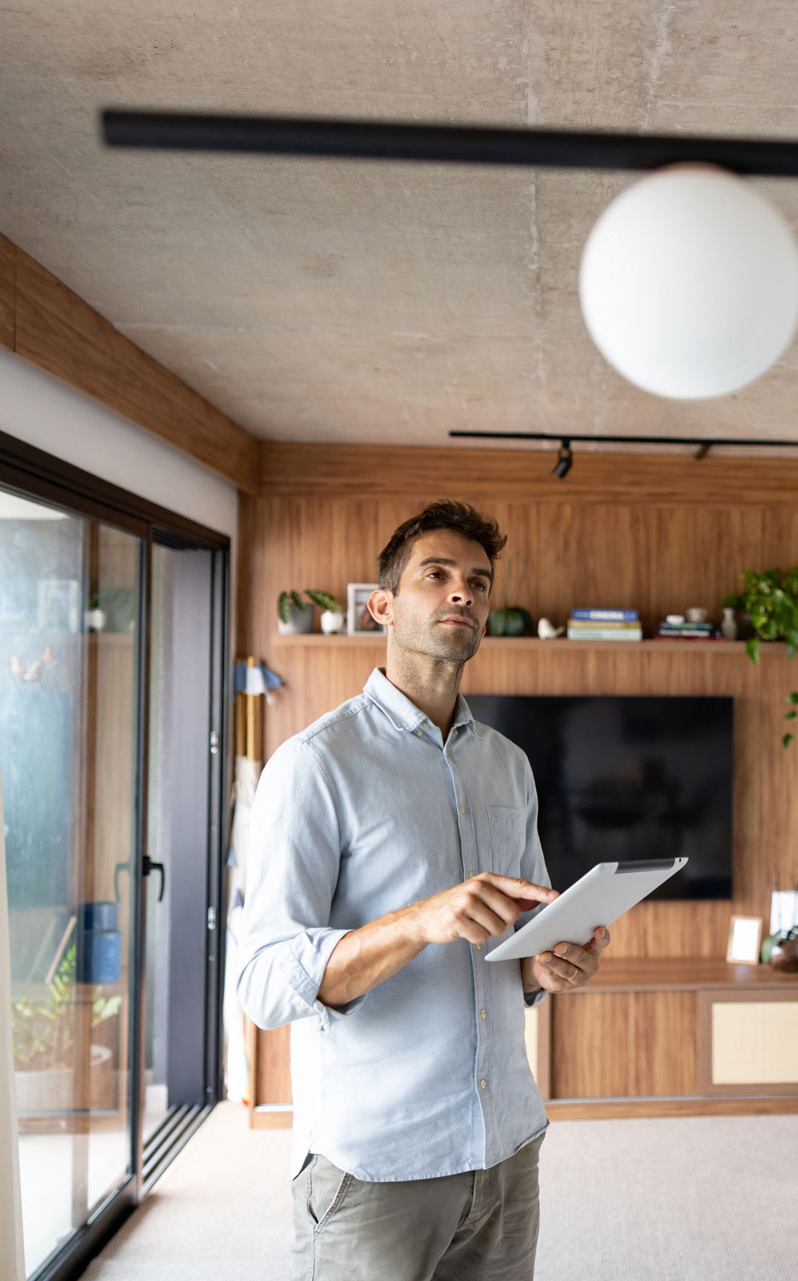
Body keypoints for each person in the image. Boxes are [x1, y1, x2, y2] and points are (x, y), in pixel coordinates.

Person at [237, 500, 610, 1281]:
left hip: (506, 1149)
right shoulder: (314, 764)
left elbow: (520, 946)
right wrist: (417, 922)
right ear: (382, 605)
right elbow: (265, 982)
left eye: (477, 581)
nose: (461, 594)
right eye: (435, 576)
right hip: (377, 1165)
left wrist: (550, 965)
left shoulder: (509, 764)